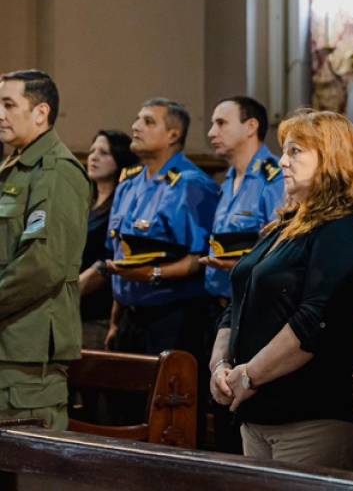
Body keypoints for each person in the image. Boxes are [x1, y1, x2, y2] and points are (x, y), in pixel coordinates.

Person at [209, 110, 353, 469]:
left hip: (311, 416)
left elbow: (315, 321)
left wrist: (249, 373)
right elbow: (238, 301)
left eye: (296, 151)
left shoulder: (343, 230)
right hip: (256, 411)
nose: (283, 161)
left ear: (332, 159)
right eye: (284, 151)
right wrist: (220, 364)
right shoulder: (282, 227)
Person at [0, 70, 91, 430]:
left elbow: (44, 265)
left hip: (25, 357)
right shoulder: (15, 169)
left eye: (9, 105)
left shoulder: (55, 171)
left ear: (40, 113)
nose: (0, 114)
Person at [105, 98, 218, 361]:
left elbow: (200, 259)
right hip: (129, 317)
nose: (136, 126)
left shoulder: (191, 186)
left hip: (172, 318)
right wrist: (115, 320)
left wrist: (153, 273)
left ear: (173, 135)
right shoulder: (128, 184)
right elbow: (122, 257)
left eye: (148, 121)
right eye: (137, 119)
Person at [201, 96, 283, 452]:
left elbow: (279, 250)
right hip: (219, 308)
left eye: (221, 123)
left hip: (254, 311)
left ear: (251, 127)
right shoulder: (226, 181)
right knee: (219, 413)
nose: (211, 132)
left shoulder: (273, 177)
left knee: (241, 418)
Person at [78, 130, 139, 350]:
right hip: (74, 309)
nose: (93, 157)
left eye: (103, 153)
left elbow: (109, 259)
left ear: (120, 160)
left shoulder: (122, 204)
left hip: (100, 311)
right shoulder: (85, 203)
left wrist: (71, 291)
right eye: (92, 150)